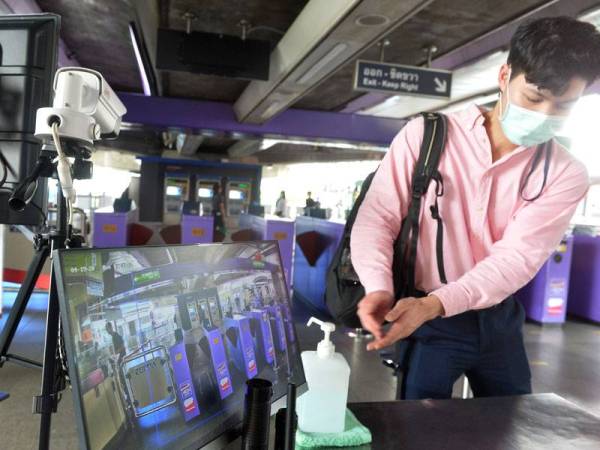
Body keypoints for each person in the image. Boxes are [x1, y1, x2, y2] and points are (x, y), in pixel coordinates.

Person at [351, 16, 600, 400]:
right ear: (504, 76)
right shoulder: (427, 136)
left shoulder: (565, 173)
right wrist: (378, 285)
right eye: (534, 97)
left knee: (512, 423)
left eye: (563, 106)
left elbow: (517, 258)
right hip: (427, 322)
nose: (545, 114)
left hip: (497, 321)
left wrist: (438, 304)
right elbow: (378, 217)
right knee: (418, 429)